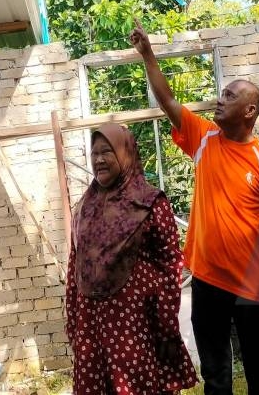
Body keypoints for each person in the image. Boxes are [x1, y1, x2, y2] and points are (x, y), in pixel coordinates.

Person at [130, 22, 259, 395]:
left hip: (250, 285)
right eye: (222, 93)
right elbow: (168, 102)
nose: (220, 99)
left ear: (250, 110)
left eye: (229, 96)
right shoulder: (204, 138)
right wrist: (147, 54)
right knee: (216, 377)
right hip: (206, 280)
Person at [66, 123, 198, 395]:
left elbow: (170, 265)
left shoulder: (150, 202)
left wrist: (163, 320)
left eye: (107, 151)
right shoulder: (85, 206)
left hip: (134, 324)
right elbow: (74, 264)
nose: (99, 159)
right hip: (91, 324)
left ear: (125, 154)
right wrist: (74, 319)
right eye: (94, 153)